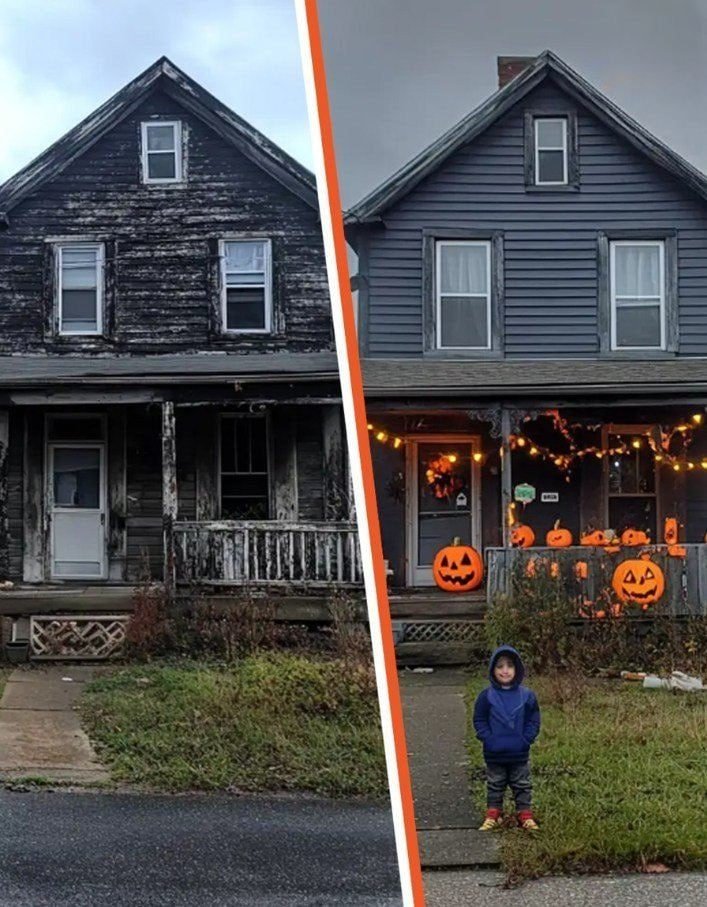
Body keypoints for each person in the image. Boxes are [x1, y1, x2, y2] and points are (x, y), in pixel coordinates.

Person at [472, 644, 540, 831]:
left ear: (516, 669)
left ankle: (524, 815)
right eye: (499, 666)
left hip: (519, 752)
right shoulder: (486, 696)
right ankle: (493, 814)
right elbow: (479, 719)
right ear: (493, 670)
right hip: (495, 753)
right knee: (495, 784)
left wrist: (527, 738)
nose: (505, 670)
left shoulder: (527, 696)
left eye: (509, 665)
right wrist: (488, 738)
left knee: (522, 785)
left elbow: (534, 720)